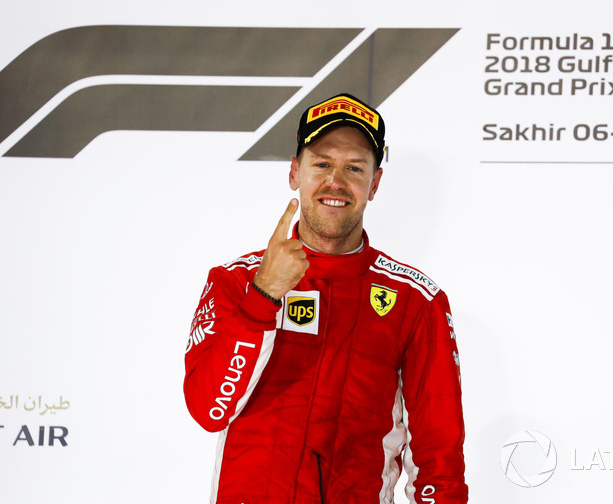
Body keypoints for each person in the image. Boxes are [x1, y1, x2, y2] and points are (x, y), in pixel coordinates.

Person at [184, 93, 468, 503]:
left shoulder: (416, 300)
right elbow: (208, 408)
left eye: (354, 167)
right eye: (322, 164)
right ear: (295, 173)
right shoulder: (236, 280)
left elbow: (440, 459)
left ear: (375, 183)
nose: (336, 181)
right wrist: (263, 297)